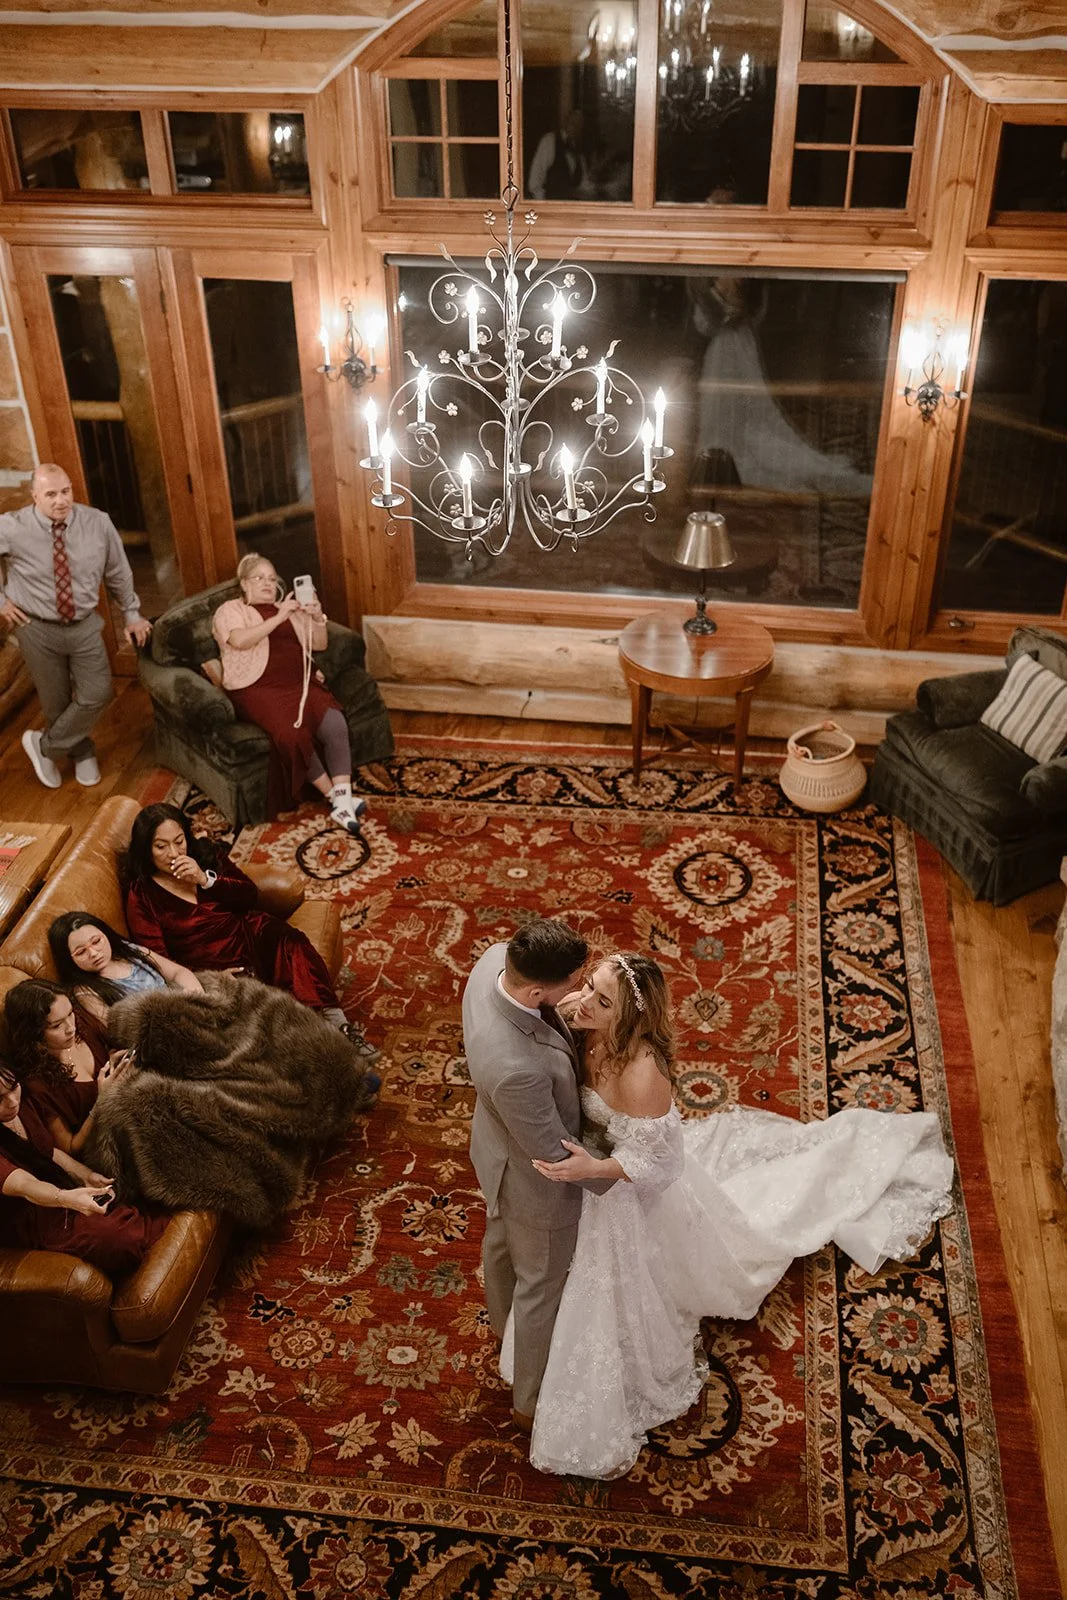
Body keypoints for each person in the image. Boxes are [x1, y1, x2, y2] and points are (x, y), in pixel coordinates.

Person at [518, 952, 955, 1479]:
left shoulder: (642, 1075)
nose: (583, 1001)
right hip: (598, 1170)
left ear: (628, 1018)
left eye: (601, 999)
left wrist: (599, 1166)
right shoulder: (580, 1016)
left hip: (627, 1190)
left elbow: (662, 1164)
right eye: (589, 985)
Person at [461, 918, 616, 1432]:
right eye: (572, 983)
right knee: (542, 1284)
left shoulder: (494, 959)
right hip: (534, 1179)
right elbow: (553, 1152)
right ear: (534, 990)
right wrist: (617, 1174)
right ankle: (528, 1402)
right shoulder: (515, 1067)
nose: (578, 988)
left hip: (495, 1148)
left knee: (501, 1241)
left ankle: (503, 1334)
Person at [122, 803, 381, 1067]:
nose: (174, 853)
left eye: (179, 842)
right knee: (272, 1016)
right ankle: (332, 1055)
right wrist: (205, 978)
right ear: (146, 850)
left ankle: (342, 1029)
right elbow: (159, 960)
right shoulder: (142, 895)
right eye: (161, 847)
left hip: (250, 933)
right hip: (217, 967)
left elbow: (249, 895)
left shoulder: (206, 854)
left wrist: (205, 879)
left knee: (293, 944)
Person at [0, 463, 152, 789]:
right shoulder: (12, 527)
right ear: (34, 497)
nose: (60, 500)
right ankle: (82, 751)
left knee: (98, 692)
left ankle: (44, 747)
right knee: (55, 701)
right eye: (51, 494)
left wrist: (132, 613)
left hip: (83, 624)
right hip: (35, 626)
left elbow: (118, 572)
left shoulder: (98, 523)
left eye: (65, 491)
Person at [212, 553, 366, 834]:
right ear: (244, 584)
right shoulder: (230, 610)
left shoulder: (290, 610)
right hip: (256, 688)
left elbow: (319, 643)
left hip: (299, 682)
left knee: (334, 722)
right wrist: (279, 615)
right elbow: (239, 640)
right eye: (260, 578)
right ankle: (336, 799)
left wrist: (317, 616)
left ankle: (342, 798)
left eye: (272, 578)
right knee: (291, 735)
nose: (268, 583)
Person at [0, 1060, 166, 1275]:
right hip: (30, 1216)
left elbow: (48, 1150)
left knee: (130, 1192)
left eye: (13, 1088)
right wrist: (69, 1198)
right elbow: (24, 1185)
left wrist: (86, 1175)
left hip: (59, 1187)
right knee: (116, 1237)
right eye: (0, 1099)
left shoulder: (24, 1105)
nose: (12, 1101)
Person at [3, 977, 128, 1156]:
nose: (71, 1027)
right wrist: (102, 1100)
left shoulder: (81, 1024)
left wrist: (117, 1060)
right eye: (56, 1025)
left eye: (70, 1013)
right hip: (107, 1143)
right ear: (33, 1033)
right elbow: (70, 1147)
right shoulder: (37, 1085)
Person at [47, 911, 203, 1028]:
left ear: (105, 935)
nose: (93, 953)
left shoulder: (128, 950)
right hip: (163, 1033)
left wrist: (196, 994)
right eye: (81, 952)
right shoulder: (85, 991)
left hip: (187, 1008)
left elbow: (178, 972)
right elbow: (121, 1031)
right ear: (69, 959)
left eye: (96, 941)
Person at [526, 108, 592, 201]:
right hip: (551, 205)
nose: (576, 128)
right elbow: (535, 178)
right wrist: (542, 205)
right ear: (565, 122)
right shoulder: (550, 141)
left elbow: (583, 184)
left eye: (579, 125)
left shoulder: (578, 150)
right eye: (573, 123)